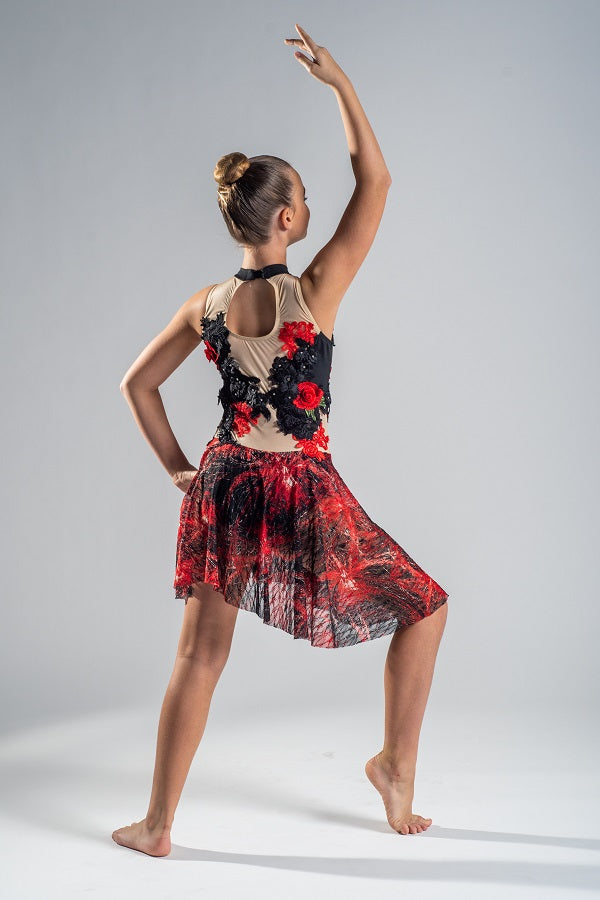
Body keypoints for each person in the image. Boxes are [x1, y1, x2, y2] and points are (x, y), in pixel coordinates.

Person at [113, 23, 449, 856]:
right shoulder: (316, 288)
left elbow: (137, 385)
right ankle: (394, 766)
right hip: (299, 485)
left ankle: (157, 826)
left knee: (198, 658)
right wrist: (340, 85)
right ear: (291, 217)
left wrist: (180, 469)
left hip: (226, 482)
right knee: (425, 607)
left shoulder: (205, 306)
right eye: (303, 198)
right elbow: (377, 180)